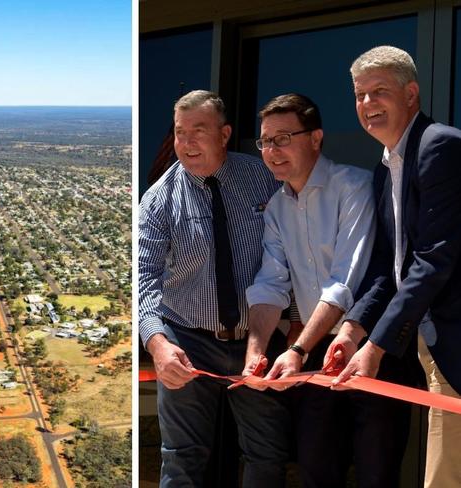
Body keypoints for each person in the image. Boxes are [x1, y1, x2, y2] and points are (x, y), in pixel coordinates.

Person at [243, 93, 414, 487]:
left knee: (377, 474)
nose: (272, 150)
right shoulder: (275, 208)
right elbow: (270, 286)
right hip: (314, 353)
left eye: (283, 138)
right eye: (266, 141)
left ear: (316, 138)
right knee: (316, 471)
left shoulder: (354, 186)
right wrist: (255, 352)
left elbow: (346, 281)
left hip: (372, 346)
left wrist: (297, 348)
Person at [139, 89, 291, 487]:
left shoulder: (262, 177)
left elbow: (293, 250)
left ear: (224, 135)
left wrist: (290, 324)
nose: (186, 142)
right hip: (187, 342)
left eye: (198, 131)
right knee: (182, 460)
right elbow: (143, 279)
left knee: (267, 453)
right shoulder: (158, 200)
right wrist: (157, 344)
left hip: (258, 341)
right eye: (179, 132)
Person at [330, 45, 461, 488]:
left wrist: (376, 347)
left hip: (455, 337)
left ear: (411, 94)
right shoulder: (385, 168)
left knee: (443, 475)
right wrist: (352, 331)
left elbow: (433, 259)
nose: (367, 105)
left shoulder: (439, 146)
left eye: (379, 92)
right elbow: (389, 267)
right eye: (359, 95)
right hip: (429, 339)